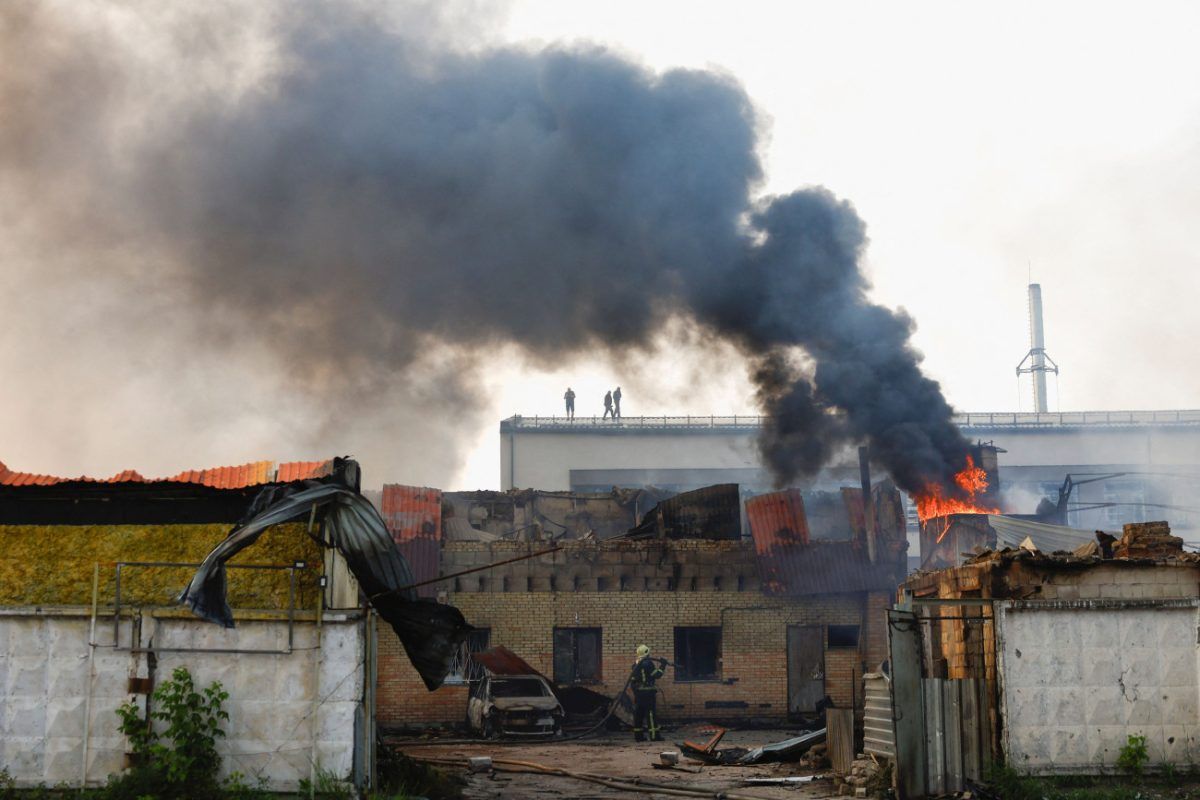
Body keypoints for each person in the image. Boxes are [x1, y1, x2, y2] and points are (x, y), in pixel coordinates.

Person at [630, 644, 666, 742]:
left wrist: (635, 692)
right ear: (646, 653)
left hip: (638, 694)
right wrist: (663, 665)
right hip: (648, 694)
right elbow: (657, 675)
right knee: (650, 714)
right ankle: (654, 736)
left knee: (639, 714)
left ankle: (638, 737)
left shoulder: (635, 665)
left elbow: (632, 681)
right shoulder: (648, 663)